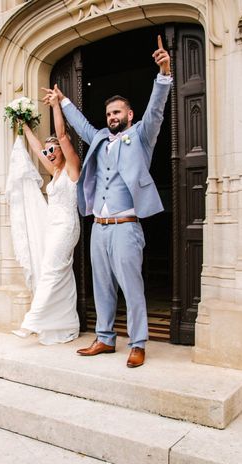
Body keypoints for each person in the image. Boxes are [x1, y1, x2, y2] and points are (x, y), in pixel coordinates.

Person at [57, 35, 172, 368]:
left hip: (125, 226)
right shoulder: (99, 139)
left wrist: (163, 73)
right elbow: (80, 126)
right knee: (101, 285)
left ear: (129, 114)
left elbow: (156, 112)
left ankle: (138, 342)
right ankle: (105, 338)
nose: (111, 116)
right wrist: (63, 102)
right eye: (108, 113)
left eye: (117, 112)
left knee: (131, 287)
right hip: (99, 226)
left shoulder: (141, 136)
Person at [10, 86, 81, 345]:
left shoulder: (73, 168)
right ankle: (65, 323)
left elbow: (62, 135)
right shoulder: (54, 171)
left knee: (51, 270)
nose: (50, 152)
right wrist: (25, 125)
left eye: (55, 148)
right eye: (49, 150)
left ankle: (32, 321)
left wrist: (55, 106)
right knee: (60, 273)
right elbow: (38, 149)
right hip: (53, 226)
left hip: (66, 226)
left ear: (63, 150)